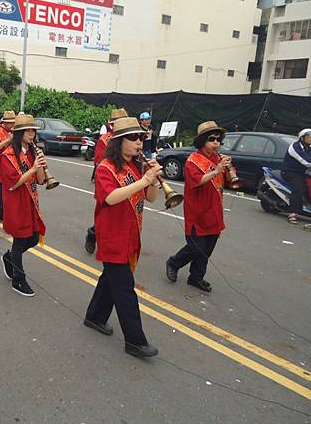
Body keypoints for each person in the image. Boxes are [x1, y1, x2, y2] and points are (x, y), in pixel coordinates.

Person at [84, 117, 161, 358]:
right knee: (126, 289)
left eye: (141, 138)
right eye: (134, 138)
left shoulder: (135, 166)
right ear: (119, 142)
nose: (139, 142)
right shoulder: (106, 167)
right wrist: (143, 181)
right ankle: (135, 341)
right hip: (112, 235)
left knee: (111, 279)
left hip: (130, 234)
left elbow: (151, 198)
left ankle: (94, 317)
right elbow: (111, 197)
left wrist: (154, 180)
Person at [165, 121, 234, 293]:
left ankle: (196, 277)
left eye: (219, 139)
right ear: (202, 140)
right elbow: (197, 181)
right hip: (198, 211)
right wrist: (216, 171)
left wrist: (229, 171)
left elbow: (226, 181)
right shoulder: (193, 161)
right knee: (196, 247)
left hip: (214, 210)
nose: (216, 143)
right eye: (212, 139)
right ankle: (174, 262)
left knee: (207, 249)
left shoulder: (218, 158)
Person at [0, 114, 47, 297]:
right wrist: (33, 169)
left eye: (33, 131)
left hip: (31, 201)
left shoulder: (33, 152)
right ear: (19, 133)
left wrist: (41, 166)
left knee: (34, 238)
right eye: (28, 131)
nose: (32, 134)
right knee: (20, 241)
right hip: (16, 203)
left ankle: (10, 258)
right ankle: (18, 280)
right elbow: (14, 183)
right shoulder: (8, 155)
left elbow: (41, 180)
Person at [85, 108, 128, 254]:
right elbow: (99, 161)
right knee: (105, 214)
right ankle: (93, 234)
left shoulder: (129, 140)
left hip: (124, 182)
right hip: (108, 181)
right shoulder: (105, 140)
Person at [281, 128, 311, 225]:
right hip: (290, 172)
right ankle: (292, 213)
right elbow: (306, 161)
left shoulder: (309, 147)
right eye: (309, 136)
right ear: (302, 138)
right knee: (300, 187)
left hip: (303, 173)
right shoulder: (295, 146)